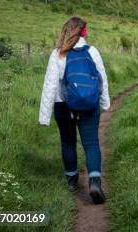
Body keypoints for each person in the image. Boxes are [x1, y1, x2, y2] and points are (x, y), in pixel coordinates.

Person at [39, 17, 110, 204]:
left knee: (68, 143)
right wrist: (105, 103)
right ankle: (94, 182)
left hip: (63, 105)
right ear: (83, 32)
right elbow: (101, 79)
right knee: (92, 143)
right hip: (89, 105)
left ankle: (72, 181)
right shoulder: (92, 52)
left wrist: (44, 116)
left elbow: (50, 86)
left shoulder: (57, 54)